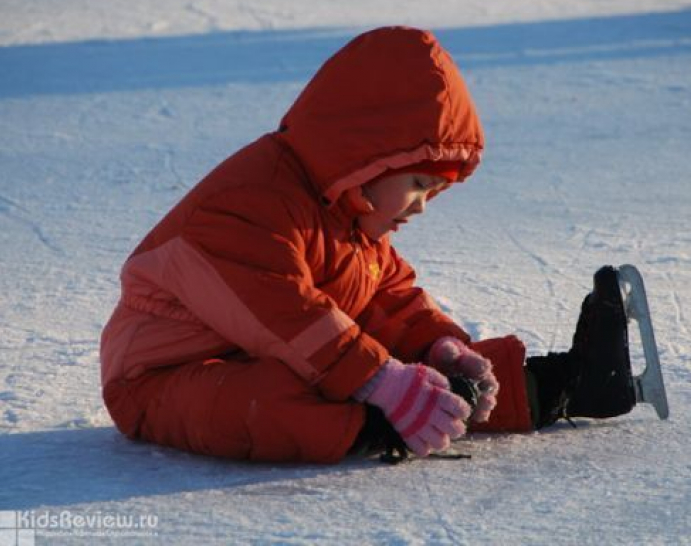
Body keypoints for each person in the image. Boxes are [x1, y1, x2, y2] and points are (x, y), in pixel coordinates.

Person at [99, 26, 636, 464]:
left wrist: (439, 349)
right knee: (279, 398)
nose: (423, 205)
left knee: (400, 372)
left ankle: (567, 384)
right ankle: (382, 426)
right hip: (163, 379)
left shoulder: (348, 214)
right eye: (420, 184)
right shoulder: (245, 204)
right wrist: (384, 385)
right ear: (369, 159)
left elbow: (387, 302)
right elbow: (290, 319)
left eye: (436, 192)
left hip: (267, 348)